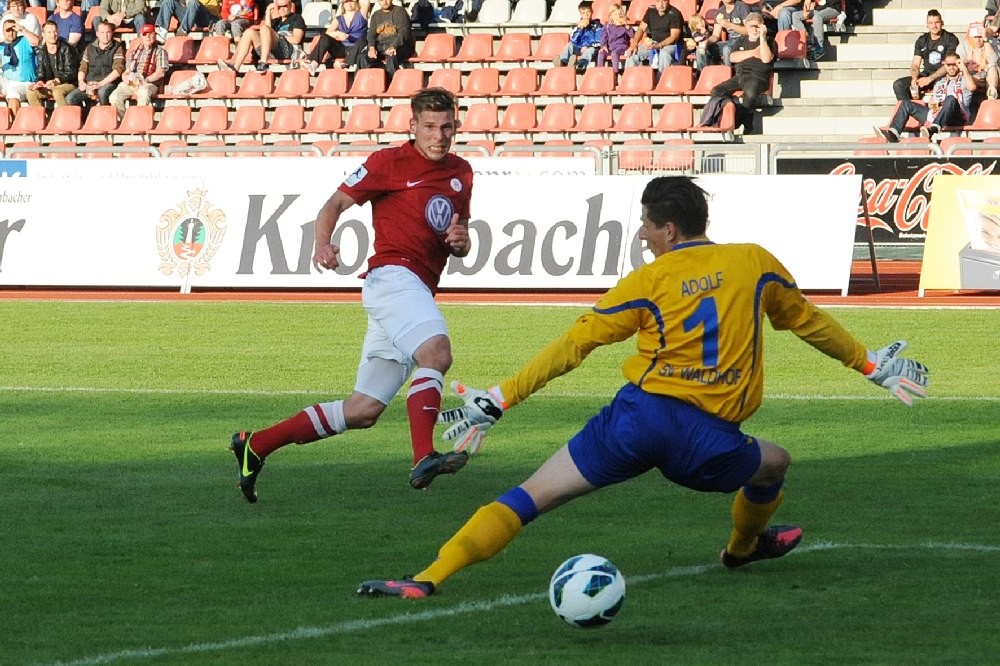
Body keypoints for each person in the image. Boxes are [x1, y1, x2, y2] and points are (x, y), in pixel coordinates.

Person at [355, 175, 931, 600]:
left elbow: (575, 344)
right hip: (706, 439)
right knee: (774, 464)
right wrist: (867, 364)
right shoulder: (755, 263)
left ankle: (429, 577)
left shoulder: (648, 280)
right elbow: (808, 321)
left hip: (637, 420)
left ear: (669, 229)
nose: (643, 235)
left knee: (532, 496)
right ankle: (741, 549)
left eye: (647, 225)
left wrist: (501, 398)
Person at [229, 87, 475, 504]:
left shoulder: (462, 173)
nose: (439, 136)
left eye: (447, 127)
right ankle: (423, 456)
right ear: (412, 126)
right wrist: (322, 244)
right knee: (435, 353)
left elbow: (460, 238)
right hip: (393, 277)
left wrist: (461, 242)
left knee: (363, 410)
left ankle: (256, 444)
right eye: (430, 127)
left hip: (414, 290)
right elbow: (334, 204)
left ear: (457, 126)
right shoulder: (388, 162)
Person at [698, 12, 775, 134]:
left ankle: (735, 122)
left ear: (762, 26)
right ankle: (738, 111)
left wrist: (763, 38)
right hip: (740, 76)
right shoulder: (741, 41)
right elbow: (733, 57)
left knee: (750, 94)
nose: (754, 29)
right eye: (751, 26)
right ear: (746, 26)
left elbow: (766, 58)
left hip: (758, 77)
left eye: (757, 26)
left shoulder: (769, 41)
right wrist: (753, 53)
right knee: (716, 91)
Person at [876, 52, 976, 141]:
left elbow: (972, 87)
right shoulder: (940, 82)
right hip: (936, 114)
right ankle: (893, 133)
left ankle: (933, 128)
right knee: (906, 104)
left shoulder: (965, 79)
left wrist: (964, 68)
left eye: (954, 64)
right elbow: (934, 103)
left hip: (956, 116)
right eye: (948, 65)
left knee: (950, 98)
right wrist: (932, 104)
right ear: (944, 65)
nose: (951, 67)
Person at [218, 0, 305, 72]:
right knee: (249, 32)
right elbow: (266, 31)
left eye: (284, 6)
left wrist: (276, 36)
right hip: (271, 51)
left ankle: (263, 62)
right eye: (279, 7)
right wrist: (268, 12)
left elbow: (296, 39)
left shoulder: (297, 18)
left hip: (288, 51)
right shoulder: (276, 21)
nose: (281, 9)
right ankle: (235, 66)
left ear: (290, 5)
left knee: (264, 28)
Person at [892, 9, 959, 101]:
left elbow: (949, 64)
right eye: (931, 23)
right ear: (927, 25)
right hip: (926, 75)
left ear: (942, 23)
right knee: (899, 84)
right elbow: (915, 64)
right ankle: (909, 108)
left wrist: (930, 79)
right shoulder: (922, 40)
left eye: (937, 22)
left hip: (943, 76)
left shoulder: (950, 39)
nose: (934, 26)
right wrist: (914, 78)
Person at [107, 22, 166, 118]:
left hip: (149, 83)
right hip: (133, 83)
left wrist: (144, 81)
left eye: (150, 34)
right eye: (145, 34)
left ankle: (139, 121)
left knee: (144, 93)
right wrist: (125, 77)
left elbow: (160, 73)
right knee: (114, 97)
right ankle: (125, 121)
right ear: (141, 36)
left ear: (155, 35)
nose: (148, 37)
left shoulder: (160, 51)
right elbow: (126, 71)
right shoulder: (135, 51)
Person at [65, 20, 123, 106]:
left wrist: (100, 84)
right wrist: (81, 81)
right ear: (97, 34)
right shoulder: (90, 47)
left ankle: (105, 113)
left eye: (108, 32)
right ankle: (85, 114)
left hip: (108, 83)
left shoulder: (117, 47)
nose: (105, 35)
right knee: (70, 98)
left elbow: (118, 70)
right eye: (102, 32)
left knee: (102, 92)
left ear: (112, 33)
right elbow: (83, 68)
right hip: (90, 82)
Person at [299, 0, 366, 74]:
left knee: (362, 41)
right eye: (346, 1)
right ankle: (313, 63)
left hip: (357, 47)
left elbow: (366, 2)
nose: (349, 3)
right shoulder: (339, 19)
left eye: (351, 1)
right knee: (325, 38)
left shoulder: (362, 14)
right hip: (342, 48)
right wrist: (337, 33)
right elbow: (328, 33)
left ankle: (346, 63)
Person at [624, 0, 683, 81]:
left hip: (671, 45)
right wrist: (634, 44)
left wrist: (659, 45)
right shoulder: (651, 11)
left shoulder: (675, 14)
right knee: (632, 54)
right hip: (654, 43)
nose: (661, 4)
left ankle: (661, 81)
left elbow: (674, 37)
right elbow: (641, 28)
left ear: (668, 1)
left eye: (664, 1)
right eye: (658, 1)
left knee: (664, 54)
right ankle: (630, 81)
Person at [25, 19, 78, 108]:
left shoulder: (67, 48)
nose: (53, 35)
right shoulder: (41, 51)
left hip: (68, 83)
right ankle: (40, 116)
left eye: (55, 31)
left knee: (57, 92)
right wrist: (39, 83)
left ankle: (66, 115)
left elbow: (71, 72)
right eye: (49, 32)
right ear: (43, 34)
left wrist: (56, 81)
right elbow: (41, 73)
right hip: (50, 85)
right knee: (31, 94)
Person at [358, 0, 413, 80]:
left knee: (391, 56)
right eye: (381, 0)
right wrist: (371, 47)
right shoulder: (376, 15)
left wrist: (394, 46)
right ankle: (368, 82)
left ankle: (392, 83)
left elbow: (404, 33)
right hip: (381, 46)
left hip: (400, 46)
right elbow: (371, 34)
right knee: (363, 57)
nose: (384, 2)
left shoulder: (400, 12)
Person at [697, 0, 751, 70]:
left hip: (744, 41)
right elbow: (716, 35)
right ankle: (703, 74)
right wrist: (707, 42)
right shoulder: (720, 11)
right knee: (700, 49)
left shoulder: (742, 7)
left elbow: (749, 31)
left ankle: (728, 73)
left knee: (727, 49)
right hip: (730, 41)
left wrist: (730, 25)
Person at [1, 15, 37, 113]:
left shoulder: (25, 41)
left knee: (13, 93)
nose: (11, 33)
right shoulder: (2, 46)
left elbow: (37, 41)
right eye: (7, 30)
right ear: (3, 32)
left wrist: (22, 29)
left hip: (24, 83)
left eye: (13, 30)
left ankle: (14, 121)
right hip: (7, 82)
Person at [554, 0, 602, 72]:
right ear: (580, 14)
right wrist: (579, 29)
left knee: (590, 50)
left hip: (591, 48)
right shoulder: (578, 25)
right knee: (569, 45)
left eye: (588, 12)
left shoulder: (597, 26)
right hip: (579, 48)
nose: (586, 15)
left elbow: (599, 41)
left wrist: (587, 46)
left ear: (592, 12)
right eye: (583, 13)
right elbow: (573, 40)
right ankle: (562, 62)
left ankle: (580, 65)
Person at [956, 22, 999, 100]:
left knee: (992, 66)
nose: (978, 40)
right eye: (975, 37)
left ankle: (991, 95)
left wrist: (985, 40)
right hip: (971, 77)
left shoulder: (993, 42)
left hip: (990, 77)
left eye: (980, 37)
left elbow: (993, 60)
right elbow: (959, 64)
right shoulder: (963, 46)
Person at [595, 4, 632, 76]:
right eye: (615, 14)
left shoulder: (624, 25)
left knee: (614, 54)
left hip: (621, 46)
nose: (618, 16)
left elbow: (632, 35)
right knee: (601, 54)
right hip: (610, 47)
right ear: (611, 16)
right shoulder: (607, 25)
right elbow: (603, 37)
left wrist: (627, 26)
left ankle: (615, 74)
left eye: (619, 14)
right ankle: (600, 74)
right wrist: (603, 46)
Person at [155, 0, 221, 37]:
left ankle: (183, 30)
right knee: (168, 1)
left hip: (208, 17)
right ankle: (162, 31)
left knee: (193, 2)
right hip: (191, 15)